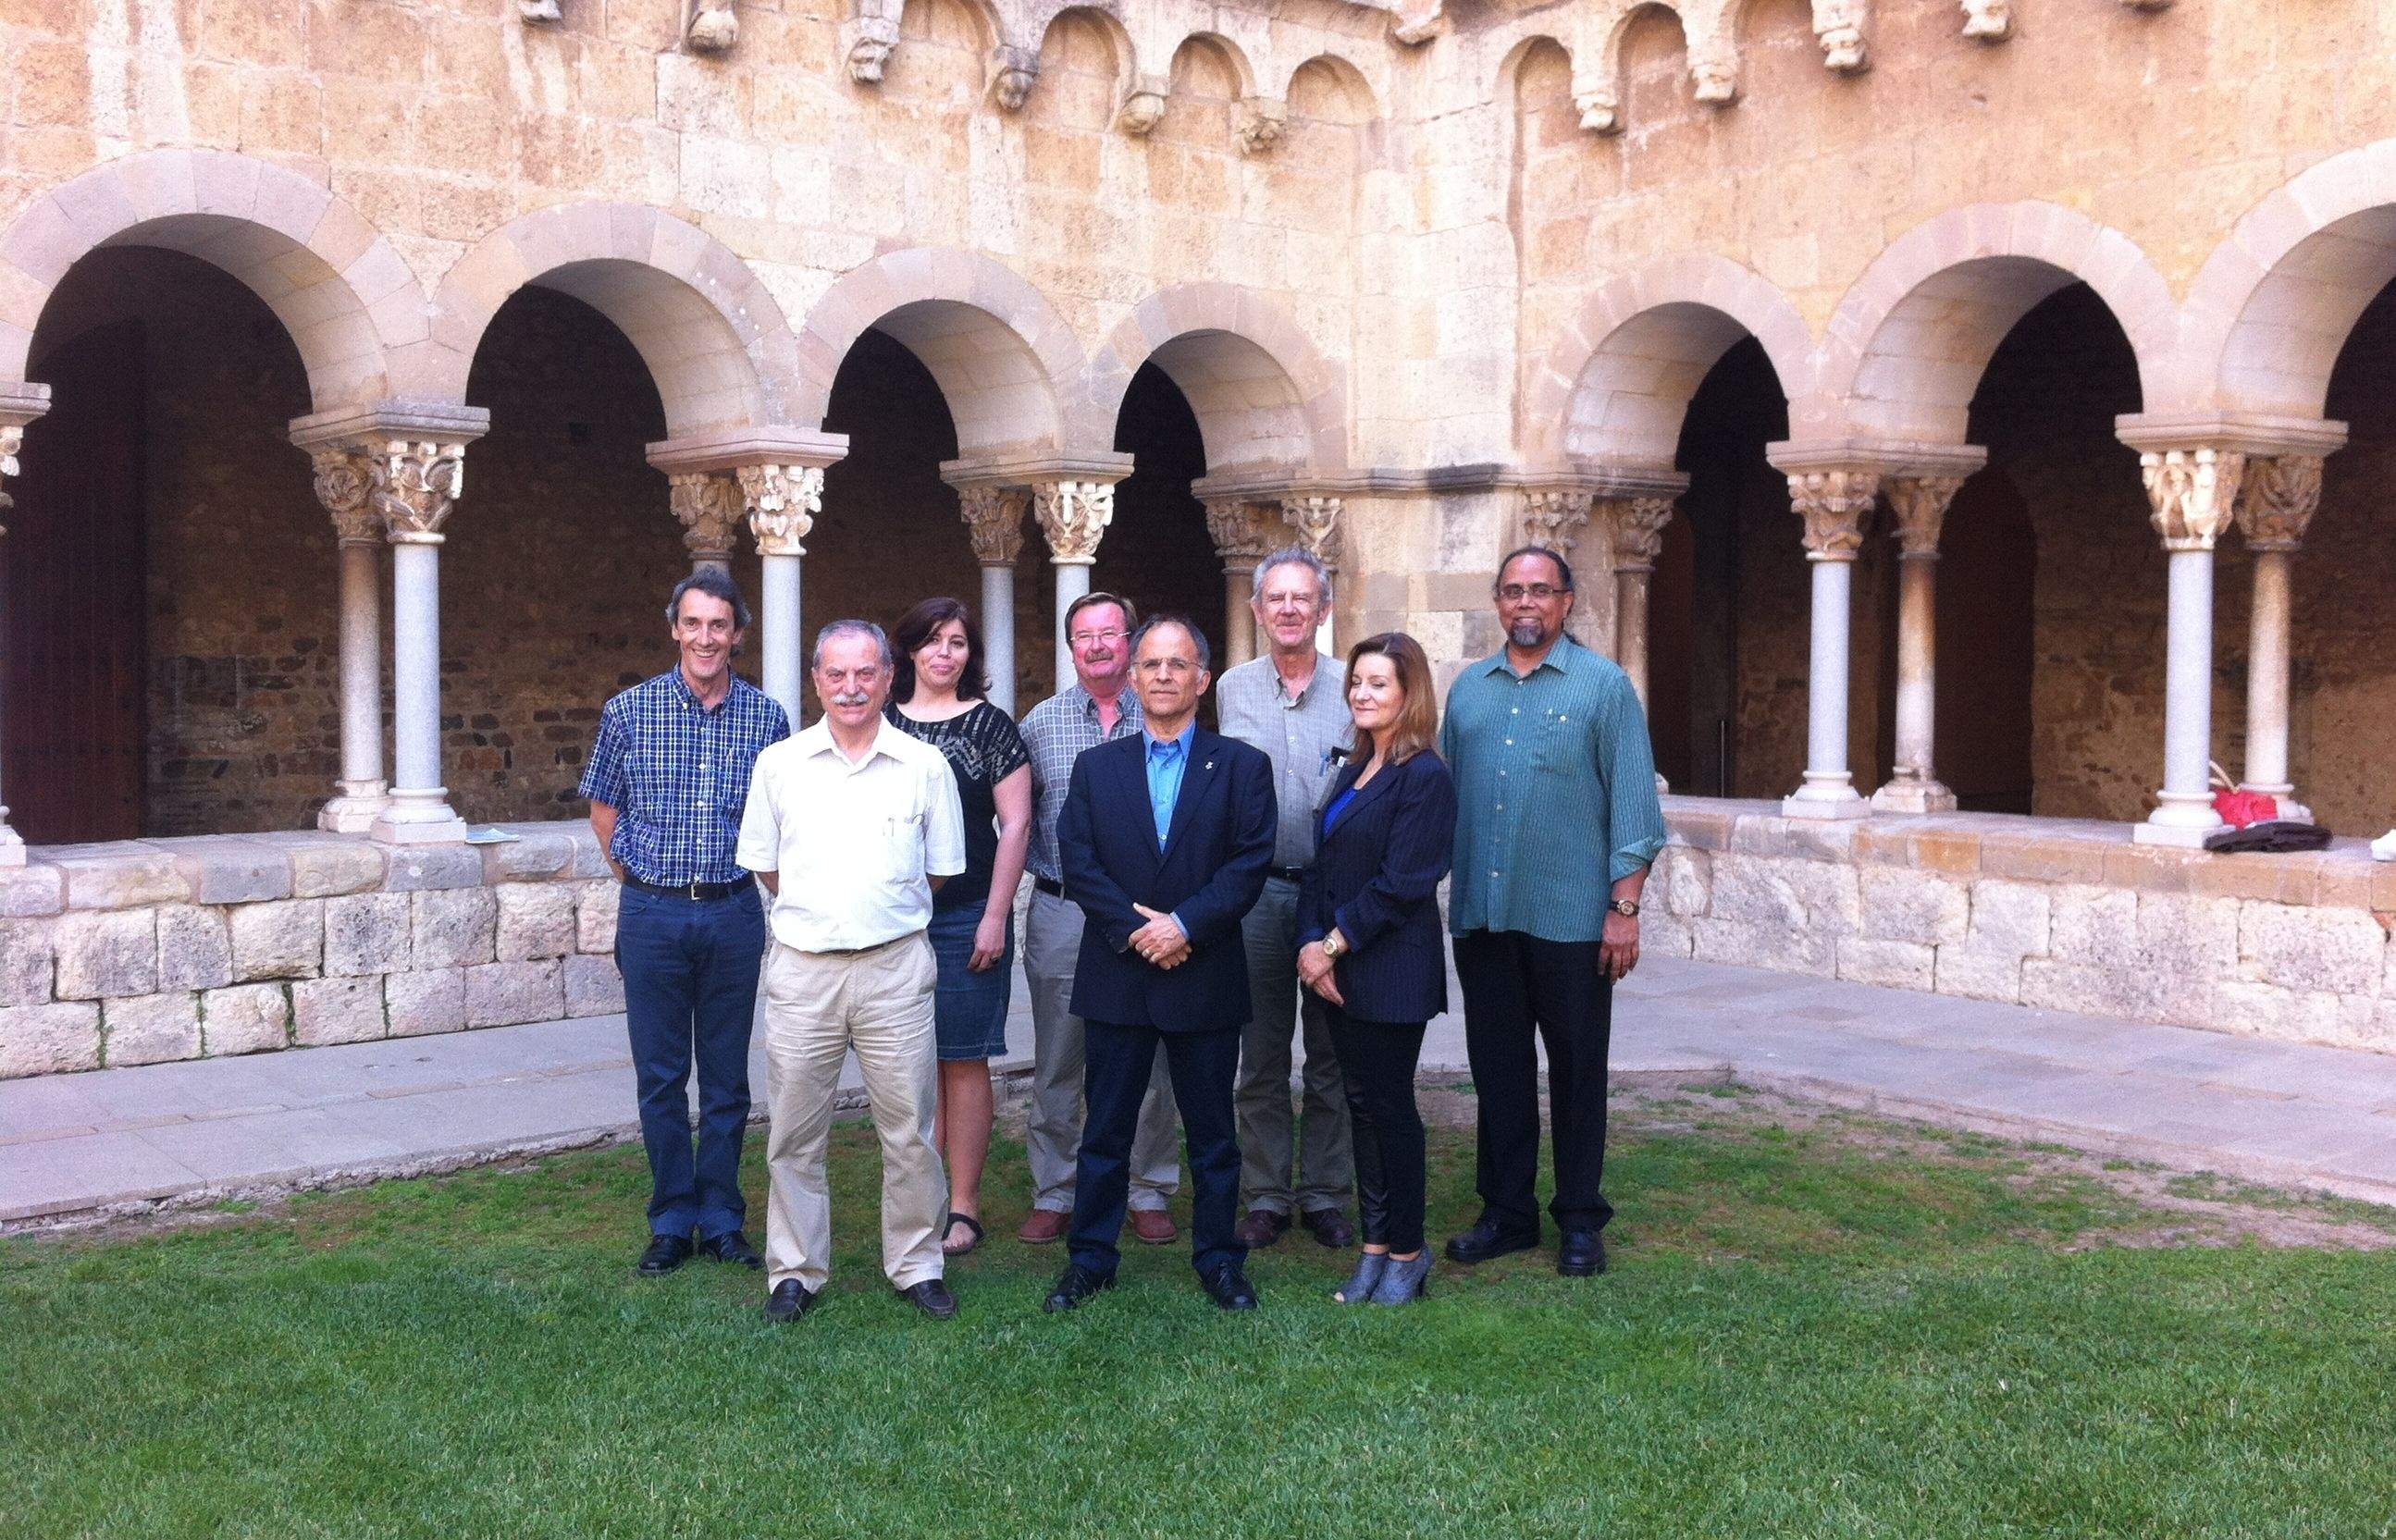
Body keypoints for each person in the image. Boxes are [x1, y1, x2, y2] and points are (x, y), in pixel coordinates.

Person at [1440, 547, 1667, 1279]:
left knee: (1576, 1070)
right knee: (1499, 1071)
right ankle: (1506, 1212)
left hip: (1573, 920)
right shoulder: (1468, 692)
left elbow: (1634, 806)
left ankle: (1578, 1218)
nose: (1526, 603)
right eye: (1512, 591)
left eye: (1541, 590)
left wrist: (1623, 909)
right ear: (1498, 602)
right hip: (1485, 915)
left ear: (1567, 601)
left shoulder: (1605, 688)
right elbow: (1444, 801)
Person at [1043, 616, 1277, 1313]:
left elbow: (1249, 860)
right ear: (1134, 677)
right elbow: (1077, 857)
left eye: (1180, 663)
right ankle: (1090, 1258)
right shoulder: (1097, 767)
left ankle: (1218, 1260)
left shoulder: (1241, 766)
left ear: (1203, 678)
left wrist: (1185, 926)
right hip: (1119, 972)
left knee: (1212, 1136)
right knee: (1105, 1129)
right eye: (1152, 663)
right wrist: (1135, 931)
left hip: (1204, 971)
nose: (1164, 674)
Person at [735, 620, 968, 1323]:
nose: (851, 687)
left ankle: (917, 1262)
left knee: (910, 1128)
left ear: (888, 677)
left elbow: (939, 872)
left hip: (895, 970)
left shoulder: (924, 766)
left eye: (865, 673)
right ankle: (796, 1269)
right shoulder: (780, 764)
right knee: (795, 1131)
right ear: (816, 681)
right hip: (805, 972)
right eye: (836, 674)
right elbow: (768, 866)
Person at [580, 570, 788, 1278]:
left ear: (736, 634)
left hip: (732, 912)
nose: (706, 637)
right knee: (662, 1075)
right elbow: (604, 808)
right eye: (693, 623)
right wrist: (636, 883)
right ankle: (672, 1216)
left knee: (727, 1077)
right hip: (653, 912)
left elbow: (776, 821)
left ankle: (723, 1216)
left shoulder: (766, 718)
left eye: (719, 625)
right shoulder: (629, 711)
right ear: (675, 628)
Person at [1017, 592, 1182, 1246]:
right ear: (1070, 646)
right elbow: (1020, 819)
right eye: (1083, 635)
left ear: (1132, 642)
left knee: (1151, 1055)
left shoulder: (1165, 714)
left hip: (1146, 919)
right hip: (1063, 910)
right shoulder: (1040, 724)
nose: (1096, 645)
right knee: (1059, 1056)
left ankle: (1148, 1188)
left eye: (1109, 633)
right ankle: (1055, 1189)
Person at [1296, 634, 1455, 1306]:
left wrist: (1330, 945)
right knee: (1358, 1105)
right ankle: (1373, 1248)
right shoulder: (1354, 765)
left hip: (1389, 969)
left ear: (1408, 692)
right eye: (1357, 681)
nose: (1362, 692)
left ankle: (1409, 1253)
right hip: (1336, 966)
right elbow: (1322, 865)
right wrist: (1309, 942)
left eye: (1378, 683)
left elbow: (1404, 881)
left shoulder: (1425, 775)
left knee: (1390, 1109)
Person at [1214, 547, 1357, 1250]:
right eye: (1277, 598)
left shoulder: (1356, 687)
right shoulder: (1232, 690)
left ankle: (1326, 1192)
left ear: (1324, 609)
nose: (1291, 609)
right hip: (1260, 893)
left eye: (1304, 598)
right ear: (1257, 609)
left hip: (1334, 897)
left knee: (1333, 1053)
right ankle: (1266, 1193)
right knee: (1262, 1051)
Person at [884, 598, 1031, 1259]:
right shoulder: (880, 721)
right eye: (934, 641)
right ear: (909, 649)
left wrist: (997, 914)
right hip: (890, 919)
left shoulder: (990, 727)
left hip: (968, 914)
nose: (946, 653)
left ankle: (964, 1204)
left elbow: (1016, 825)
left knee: (963, 1059)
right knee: (906, 1065)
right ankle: (919, 1197)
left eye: (958, 642)